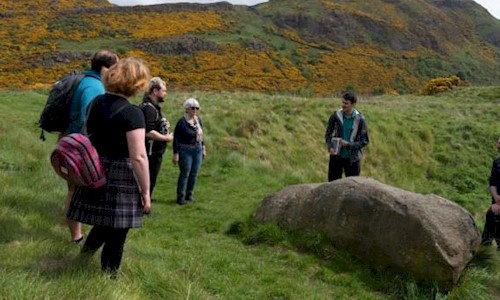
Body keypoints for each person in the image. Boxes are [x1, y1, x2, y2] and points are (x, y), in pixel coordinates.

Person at [67, 57, 151, 277]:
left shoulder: (97, 103)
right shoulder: (133, 113)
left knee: (105, 224)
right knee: (118, 232)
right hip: (121, 175)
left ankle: (82, 260)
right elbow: (139, 157)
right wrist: (145, 192)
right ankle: (109, 279)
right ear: (136, 83)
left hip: (96, 169)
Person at [64, 50, 119, 244]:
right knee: (76, 191)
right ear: (105, 68)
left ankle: (78, 233)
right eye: (115, 68)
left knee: (75, 190)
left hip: (74, 142)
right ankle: (77, 236)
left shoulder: (87, 81)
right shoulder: (94, 87)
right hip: (81, 147)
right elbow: (89, 120)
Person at [139, 77, 173, 199]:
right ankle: (143, 206)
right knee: (148, 181)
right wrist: (166, 138)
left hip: (151, 152)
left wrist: (162, 124)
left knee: (148, 181)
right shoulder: (149, 108)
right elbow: (148, 132)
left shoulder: (151, 107)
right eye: (163, 90)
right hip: (150, 153)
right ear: (155, 91)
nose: (165, 93)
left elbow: (152, 126)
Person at [324, 91, 369, 181]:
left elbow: (364, 141)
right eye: (343, 102)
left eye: (346, 103)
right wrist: (330, 147)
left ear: (353, 104)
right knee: (333, 184)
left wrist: (348, 145)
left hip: (352, 159)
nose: (343, 105)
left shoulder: (360, 119)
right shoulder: (335, 116)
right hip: (336, 157)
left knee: (353, 187)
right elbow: (328, 134)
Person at [172, 98, 206, 205]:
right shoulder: (182, 122)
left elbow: (201, 135)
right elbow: (176, 138)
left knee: (194, 173)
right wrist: (176, 153)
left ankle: (189, 195)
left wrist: (203, 148)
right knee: (185, 173)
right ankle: (180, 197)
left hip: (197, 149)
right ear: (187, 109)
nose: (195, 110)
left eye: (197, 108)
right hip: (185, 150)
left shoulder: (198, 121)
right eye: (192, 108)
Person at [481, 137, 500, 249]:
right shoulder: (497, 162)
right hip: (496, 203)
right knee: (491, 216)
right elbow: (492, 183)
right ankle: (484, 255)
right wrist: (497, 199)